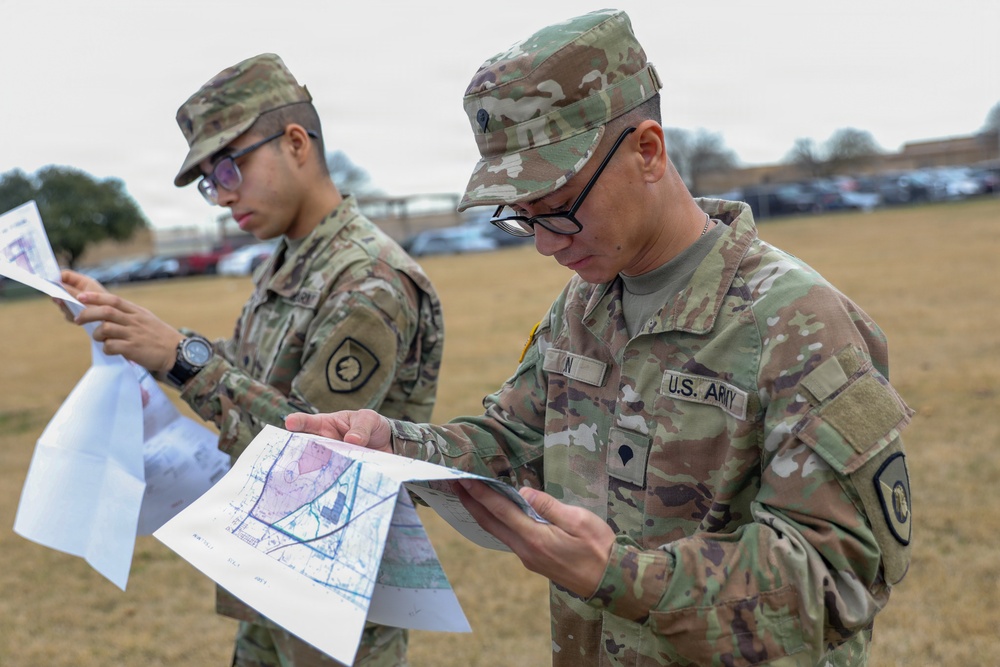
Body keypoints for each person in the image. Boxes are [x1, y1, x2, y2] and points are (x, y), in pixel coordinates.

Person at [286, 9, 914, 666]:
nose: (547, 244)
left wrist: (620, 575)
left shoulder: (801, 323)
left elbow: (837, 584)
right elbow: (512, 442)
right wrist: (392, 443)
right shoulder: (582, 309)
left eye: (558, 207)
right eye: (525, 219)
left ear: (648, 150)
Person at [61, 53, 445, 666]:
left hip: (333, 588)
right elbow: (241, 371)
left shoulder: (368, 278)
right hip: (272, 565)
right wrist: (133, 328)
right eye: (212, 180)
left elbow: (318, 454)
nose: (220, 197)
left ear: (296, 143)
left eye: (229, 168)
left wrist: (182, 359)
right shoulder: (288, 262)